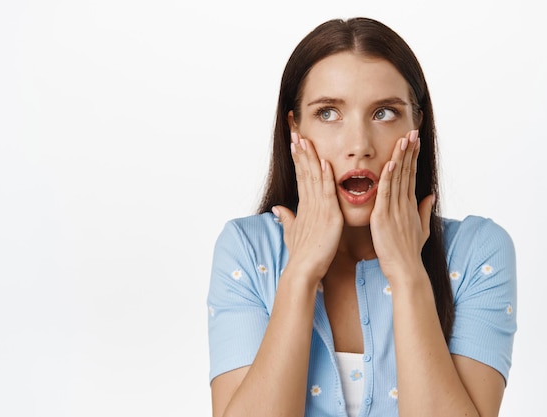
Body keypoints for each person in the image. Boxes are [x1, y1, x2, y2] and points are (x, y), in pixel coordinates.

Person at [206, 17, 516, 417]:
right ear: (294, 128)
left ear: (417, 125)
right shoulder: (247, 250)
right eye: (329, 113)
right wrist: (301, 272)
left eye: (384, 113)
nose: (359, 146)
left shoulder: (478, 253)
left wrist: (406, 270)